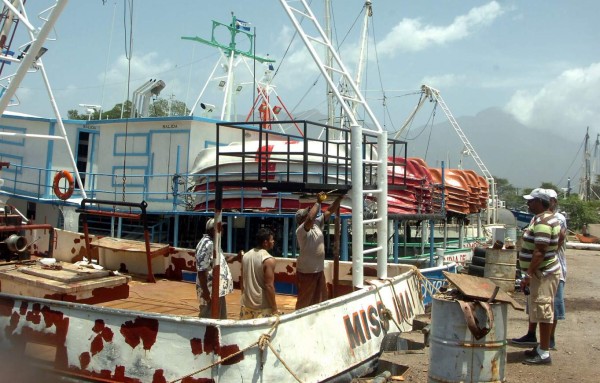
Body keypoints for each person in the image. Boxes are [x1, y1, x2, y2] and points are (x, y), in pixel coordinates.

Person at [510, 189, 567, 352]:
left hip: (544, 273)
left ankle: (543, 351)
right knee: (539, 309)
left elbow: (540, 250)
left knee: (543, 310)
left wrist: (528, 274)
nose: (528, 204)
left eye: (531, 201)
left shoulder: (543, 221)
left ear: (540, 202)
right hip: (543, 271)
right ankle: (541, 347)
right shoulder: (543, 218)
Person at [294, 191, 344, 309]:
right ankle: (299, 319)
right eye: (306, 214)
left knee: (321, 298)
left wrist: (339, 198)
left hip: (318, 270)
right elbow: (311, 218)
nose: (310, 214)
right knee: (304, 300)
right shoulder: (301, 230)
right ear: (302, 219)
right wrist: (318, 202)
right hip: (307, 272)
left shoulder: (316, 224)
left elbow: (330, 211)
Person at [195, 218, 234, 319]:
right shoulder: (208, 244)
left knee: (219, 318)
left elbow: (215, 262)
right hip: (211, 290)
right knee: (209, 318)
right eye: (220, 228)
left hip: (217, 290)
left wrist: (234, 258)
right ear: (212, 230)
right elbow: (201, 270)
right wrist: (206, 292)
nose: (223, 231)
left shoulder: (214, 243)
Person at [239, 227, 279, 319]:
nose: (273, 242)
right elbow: (269, 286)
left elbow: (242, 280)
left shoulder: (245, 256)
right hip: (262, 307)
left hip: (246, 304)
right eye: (272, 240)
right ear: (265, 242)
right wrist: (275, 309)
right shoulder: (269, 259)